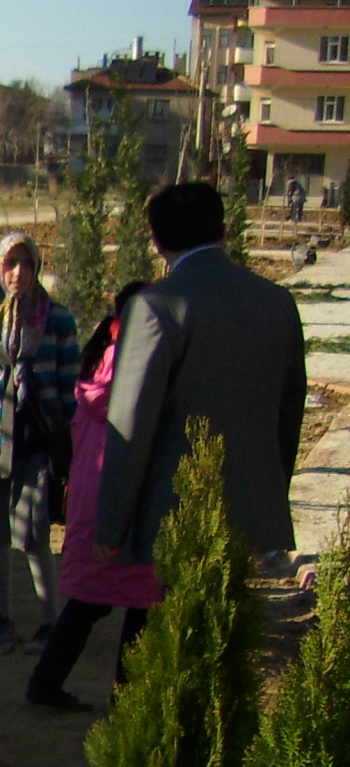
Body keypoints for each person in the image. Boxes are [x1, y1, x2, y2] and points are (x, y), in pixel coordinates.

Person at [97, 181, 307, 570]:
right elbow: (289, 414)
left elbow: (130, 423)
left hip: (178, 511)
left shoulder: (155, 306)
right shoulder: (278, 302)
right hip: (256, 509)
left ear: (157, 242)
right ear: (224, 232)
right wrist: (270, 497)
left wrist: (111, 525)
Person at [26, 286, 161, 710]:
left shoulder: (99, 358)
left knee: (87, 602)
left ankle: (45, 686)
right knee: (142, 606)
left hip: (88, 499)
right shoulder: (140, 365)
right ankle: (127, 701)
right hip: (129, 499)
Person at [0, 232, 77, 652]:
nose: (18, 273)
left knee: (33, 535)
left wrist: (73, 451)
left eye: (27, 264)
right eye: (10, 263)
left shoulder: (58, 320)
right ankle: (2, 618)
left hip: (37, 441)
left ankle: (50, 622)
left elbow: (71, 391)